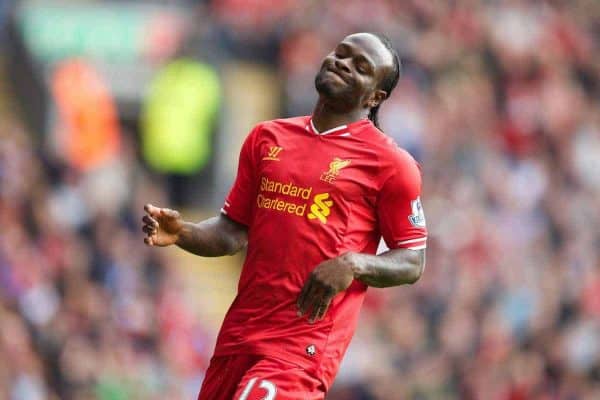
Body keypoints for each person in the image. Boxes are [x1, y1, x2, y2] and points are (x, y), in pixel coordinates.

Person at [142, 32, 427, 400]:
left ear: (375, 97)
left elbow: (411, 261)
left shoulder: (391, 165)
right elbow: (231, 233)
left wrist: (354, 264)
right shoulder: (267, 138)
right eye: (341, 53)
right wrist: (183, 232)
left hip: (299, 350)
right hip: (238, 338)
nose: (342, 62)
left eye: (360, 66)